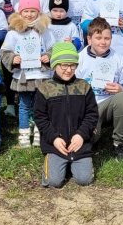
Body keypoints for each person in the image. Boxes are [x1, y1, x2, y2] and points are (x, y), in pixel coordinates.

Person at [34, 42, 99, 189]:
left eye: (73, 65)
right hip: (56, 145)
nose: (69, 70)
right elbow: (40, 117)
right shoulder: (44, 88)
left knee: (85, 180)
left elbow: (92, 114)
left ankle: (75, 164)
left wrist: (81, 135)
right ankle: (55, 163)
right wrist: (54, 138)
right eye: (64, 65)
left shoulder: (84, 86)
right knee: (54, 182)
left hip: (80, 144)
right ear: (55, 65)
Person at [76, 17, 123, 160]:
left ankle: (119, 142)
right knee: (90, 139)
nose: (103, 42)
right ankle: (92, 135)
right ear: (89, 39)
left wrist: (121, 87)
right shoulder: (79, 58)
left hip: (109, 103)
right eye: (98, 38)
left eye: (107, 38)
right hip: (87, 107)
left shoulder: (119, 58)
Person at [1, 0, 52, 147]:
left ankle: (39, 131)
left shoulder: (45, 31)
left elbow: (54, 48)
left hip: (41, 75)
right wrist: (13, 59)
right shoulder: (14, 33)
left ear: (38, 12)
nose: (29, 15)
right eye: (26, 11)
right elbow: (5, 51)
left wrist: (48, 56)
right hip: (23, 75)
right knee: (24, 105)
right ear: (20, 12)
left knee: (41, 104)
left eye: (33, 11)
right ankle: (23, 133)